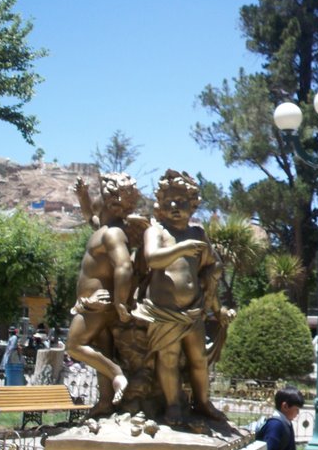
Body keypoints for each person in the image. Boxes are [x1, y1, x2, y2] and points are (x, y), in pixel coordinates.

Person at [132, 169, 231, 425]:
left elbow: (213, 266)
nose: (175, 207)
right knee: (168, 358)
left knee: (199, 359)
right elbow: (153, 259)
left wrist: (215, 303)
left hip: (193, 310)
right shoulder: (156, 232)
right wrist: (182, 249)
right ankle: (173, 405)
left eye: (182, 202)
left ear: (194, 204)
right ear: (161, 206)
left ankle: (203, 402)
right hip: (163, 310)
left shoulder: (197, 234)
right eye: (169, 202)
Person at [67, 172, 141, 416]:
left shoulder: (113, 233)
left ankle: (117, 375)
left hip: (97, 304)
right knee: (103, 350)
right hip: (94, 302)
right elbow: (91, 217)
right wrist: (83, 196)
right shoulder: (104, 227)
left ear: (111, 200)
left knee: (75, 346)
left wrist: (120, 302)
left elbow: (124, 266)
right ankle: (106, 401)